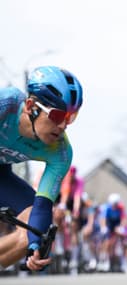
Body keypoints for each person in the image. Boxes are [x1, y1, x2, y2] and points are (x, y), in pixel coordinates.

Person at [0, 66, 83, 272]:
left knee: (34, 230)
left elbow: (43, 206)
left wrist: (34, 246)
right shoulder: (6, 105)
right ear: (31, 106)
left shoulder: (60, 152)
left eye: (70, 117)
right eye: (57, 116)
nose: (63, 126)